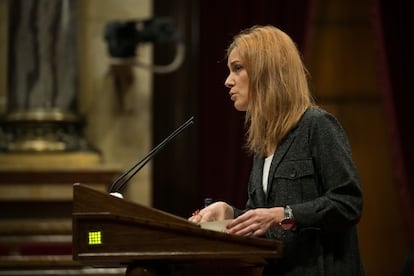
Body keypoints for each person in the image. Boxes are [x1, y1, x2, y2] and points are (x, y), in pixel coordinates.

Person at [189, 25, 365, 276]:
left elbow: (348, 203)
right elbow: (264, 219)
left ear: (265, 70)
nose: (228, 81)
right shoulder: (264, 142)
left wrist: (285, 214)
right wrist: (230, 213)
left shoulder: (316, 125)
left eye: (237, 68)